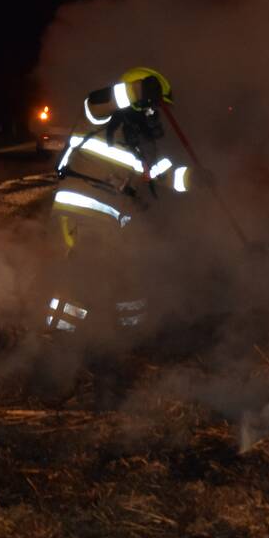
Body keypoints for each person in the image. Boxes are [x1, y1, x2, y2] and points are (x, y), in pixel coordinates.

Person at [43, 67, 201, 339]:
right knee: (81, 278)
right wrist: (140, 90)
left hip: (111, 221)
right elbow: (99, 99)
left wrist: (193, 178)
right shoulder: (98, 116)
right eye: (151, 107)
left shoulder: (137, 144)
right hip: (80, 211)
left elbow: (161, 175)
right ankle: (56, 342)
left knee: (126, 280)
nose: (154, 115)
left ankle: (126, 342)